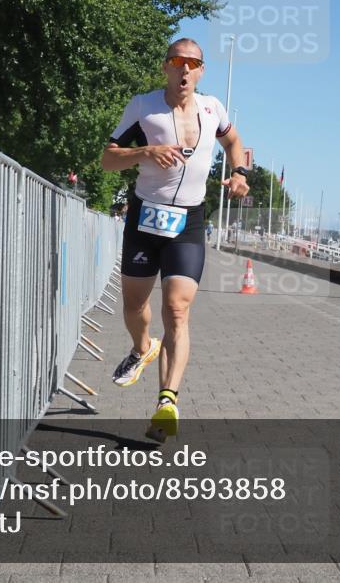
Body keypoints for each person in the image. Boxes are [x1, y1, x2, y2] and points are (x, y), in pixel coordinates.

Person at [101, 38, 249, 442]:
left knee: (177, 310)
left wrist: (240, 173)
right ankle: (141, 347)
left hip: (189, 222)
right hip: (145, 218)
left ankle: (167, 402)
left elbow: (235, 143)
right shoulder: (142, 106)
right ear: (165, 66)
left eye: (193, 64)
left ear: (201, 71)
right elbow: (108, 158)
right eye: (177, 62)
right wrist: (144, 152)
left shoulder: (212, 108)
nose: (184, 70)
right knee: (135, 306)